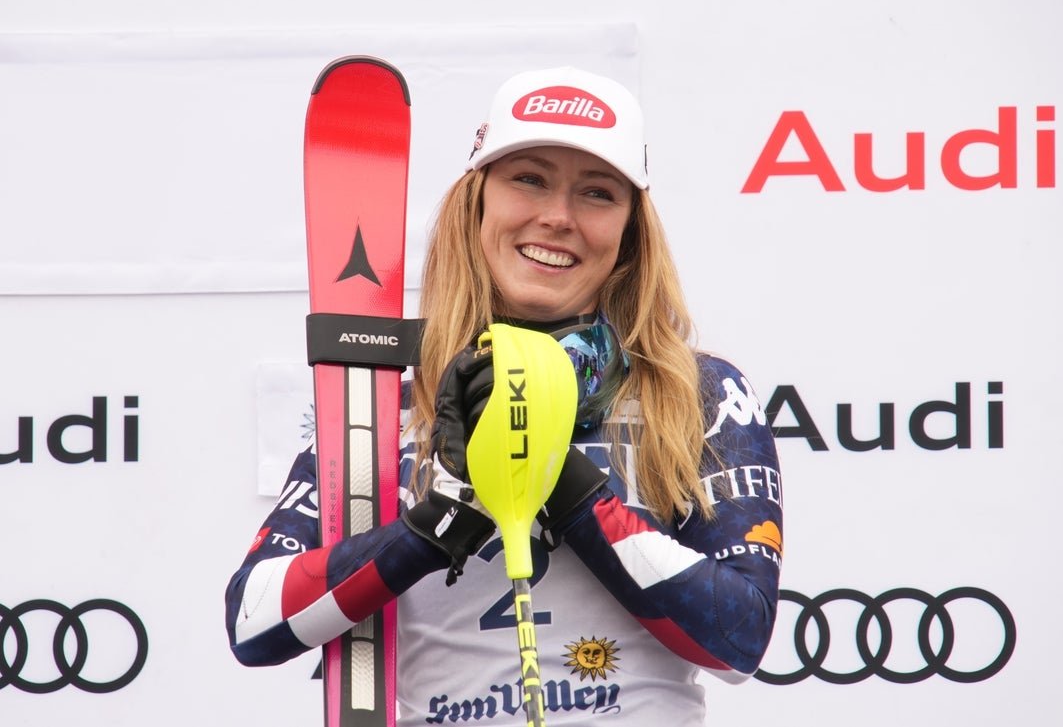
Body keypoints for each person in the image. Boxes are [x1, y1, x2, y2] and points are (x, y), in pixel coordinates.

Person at [225, 66, 783, 725]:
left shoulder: (698, 393)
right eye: (528, 179)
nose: (558, 217)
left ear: (629, 233)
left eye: (597, 193)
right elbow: (253, 620)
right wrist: (436, 522)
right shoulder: (384, 411)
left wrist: (548, 468)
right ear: (478, 204)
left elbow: (739, 636)